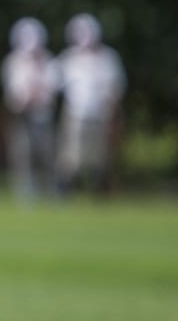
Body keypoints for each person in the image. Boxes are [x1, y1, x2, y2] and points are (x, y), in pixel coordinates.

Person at [54, 13, 126, 198]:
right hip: (75, 115)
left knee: (100, 159)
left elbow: (115, 89)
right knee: (71, 158)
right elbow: (57, 85)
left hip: (101, 115)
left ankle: (99, 194)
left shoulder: (108, 58)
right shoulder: (68, 59)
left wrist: (113, 115)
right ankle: (65, 194)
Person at [0, 16, 59, 204]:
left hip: (43, 116)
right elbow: (14, 95)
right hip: (22, 117)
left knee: (47, 156)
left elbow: (51, 90)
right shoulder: (12, 63)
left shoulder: (49, 62)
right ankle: (26, 195)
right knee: (23, 155)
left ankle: (51, 193)